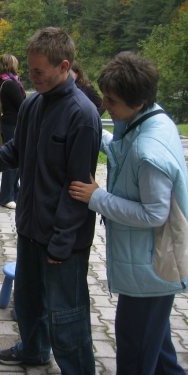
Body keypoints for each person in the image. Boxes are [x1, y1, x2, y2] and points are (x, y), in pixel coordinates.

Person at [0, 27, 101, 373]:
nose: (30, 79)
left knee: (67, 316)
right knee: (29, 302)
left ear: (64, 66)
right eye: (29, 70)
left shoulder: (83, 116)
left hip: (62, 242)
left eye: (39, 72)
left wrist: (60, 246)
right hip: (30, 230)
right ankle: (34, 350)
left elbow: (79, 190)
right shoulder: (33, 104)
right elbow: (14, 151)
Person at [69, 52, 187, 374]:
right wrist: (98, 135)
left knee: (136, 351)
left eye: (111, 100)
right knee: (157, 348)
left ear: (136, 101)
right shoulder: (152, 118)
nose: (105, 106)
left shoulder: (149, 152)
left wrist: (97, 198)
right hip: (152, 269)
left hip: (151, 270)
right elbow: (126, 147)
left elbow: (153, 214)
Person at [0, 53, 26, 209]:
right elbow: (22, 104)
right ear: (11, 65)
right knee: (12, 160)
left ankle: (15, 193)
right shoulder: (11, 84)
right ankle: (6, 196)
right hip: (13, 125)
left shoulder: (4, 82)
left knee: (16, 160)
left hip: (10, 124)